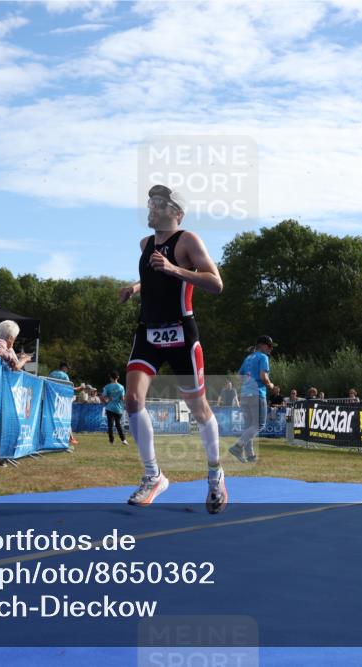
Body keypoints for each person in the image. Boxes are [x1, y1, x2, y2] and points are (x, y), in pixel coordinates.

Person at [120, 184, 227, 513]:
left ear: (176, 213)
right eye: (151, 202)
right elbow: (156, 279)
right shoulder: (145, 244)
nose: (151, 207)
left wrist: (174, 269)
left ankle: (215, 474)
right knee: (133, 399)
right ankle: (153, 476)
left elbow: (216, 283)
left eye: (159, 204)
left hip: (181, 333)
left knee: (199, 408)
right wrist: (136, 288)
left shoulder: (188, 241)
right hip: (148, 332)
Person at [229, 335, 275, 464]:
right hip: (257, 394)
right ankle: (238, 447)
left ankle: (250, 455)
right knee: (259, 425)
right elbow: (263, 377)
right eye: (270, 346)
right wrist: (271, 385)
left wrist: (248, 383)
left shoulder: (248, 358)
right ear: (264, 345)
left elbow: (239, 376)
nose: (271, 349)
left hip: (245, 394)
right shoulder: (263, 357)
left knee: (249, 426)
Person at [49, 362, 82, 445]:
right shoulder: (64, 376)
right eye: (67, 368)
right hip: (61, 400)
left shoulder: (52, 373)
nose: (67, 370)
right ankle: (70, 438)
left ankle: (54, 436)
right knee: (65, 418)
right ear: (63, 367)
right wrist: (80, 388)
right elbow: (68, 388)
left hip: (51, 399)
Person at [101, 371, 128, 445]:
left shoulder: (107, 386)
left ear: (110, 378)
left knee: (110, 425)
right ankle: (123, 440)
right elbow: (122, 398)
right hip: (119, 408)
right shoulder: (121, 387)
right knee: (118, 425)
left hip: (109, 408)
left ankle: (111, 441)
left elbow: (103, 396)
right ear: (118, 377)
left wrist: (106, 402)